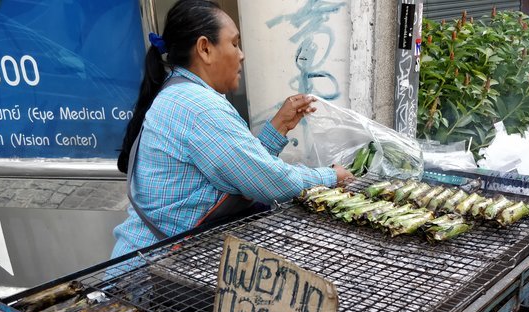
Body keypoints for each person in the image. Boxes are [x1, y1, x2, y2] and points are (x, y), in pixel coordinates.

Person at [112, 0, 353, 258]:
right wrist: (331, 176)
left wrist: (280, 125)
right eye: (235, 43)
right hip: (149, 273)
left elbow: (242, 169)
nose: (241, 54)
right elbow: (271, 183)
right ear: (205, 48)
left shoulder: (179, 92)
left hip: (151, 258)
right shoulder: (198, 107)